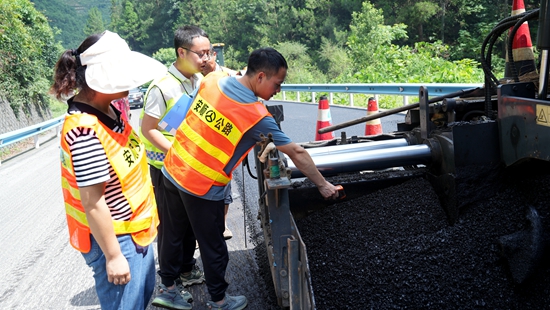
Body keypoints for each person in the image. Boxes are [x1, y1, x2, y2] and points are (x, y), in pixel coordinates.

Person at [162, 47, 340, 310]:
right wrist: (323, 185)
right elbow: (297, 152)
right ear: (259, 77)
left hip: (172, 168)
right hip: (201, 185)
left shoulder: (212, 81)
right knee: (213, 246)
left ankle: (167, 291)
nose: (278, 91)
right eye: (276, 84)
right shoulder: (256, 115)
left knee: (172, 235)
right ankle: (219, 301)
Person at [51, 30, 166, 310]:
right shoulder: (85, 131)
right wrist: (113, 256)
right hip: (116, 238)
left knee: (140, 298)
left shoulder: (112, 113)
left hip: (135, 231)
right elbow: (93, 202)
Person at [139, 25, 208, 310]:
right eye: (200, 53)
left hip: (189, 167)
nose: (206, 58)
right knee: (171, 228)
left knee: (189, 223)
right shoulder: (162, 86)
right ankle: (168, 284)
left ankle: (186, 268)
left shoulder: (197, 80)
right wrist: (177, 152)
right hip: (165, 167)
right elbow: (147, 129)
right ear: (182, 52)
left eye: (209, 52)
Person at [201, 46, 238, 240]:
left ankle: (223, 224)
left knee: (224, 187)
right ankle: (200, 232)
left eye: (207, 56)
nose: (204, 62)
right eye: (201, 57)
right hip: (200, 143)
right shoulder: (194, 80)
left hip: (224, 142)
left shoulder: (228, 76)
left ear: (214, 56)